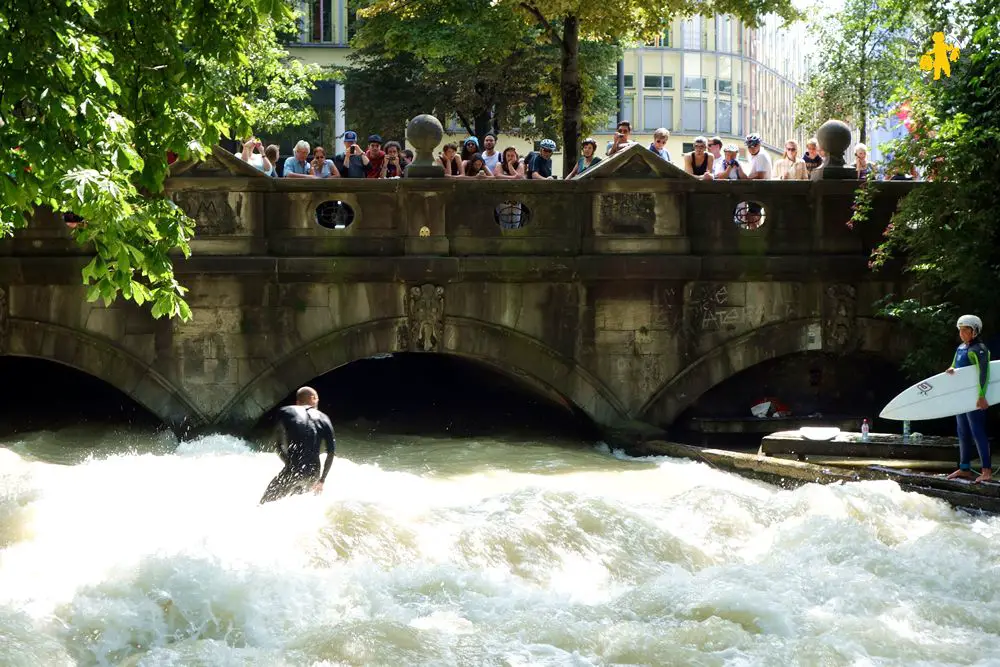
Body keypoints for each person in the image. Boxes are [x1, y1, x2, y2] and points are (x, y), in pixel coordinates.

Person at [259, 386, 336, 504]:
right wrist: (322, 480)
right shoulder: (324, 419)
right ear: (313, 398)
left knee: (264, 504)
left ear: (297, 402)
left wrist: (289, 463)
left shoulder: (286, 411)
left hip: (293, 470)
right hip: (313, 474)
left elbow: (278, 445)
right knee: (296, 505)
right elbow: (331, 453)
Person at [946, 315, 992, 483]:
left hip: (975, 398)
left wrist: (981, 396)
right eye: (960, 330)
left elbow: (984, 374)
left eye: (966, 330)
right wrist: (951, 369)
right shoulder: (960, 348)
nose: (962, 333)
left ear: (975, 331)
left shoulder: (979, 349)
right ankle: (964, 468)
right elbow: (955, 365)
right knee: (962, 432)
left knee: (977, 431)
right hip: (961, 398)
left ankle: (986, 470)